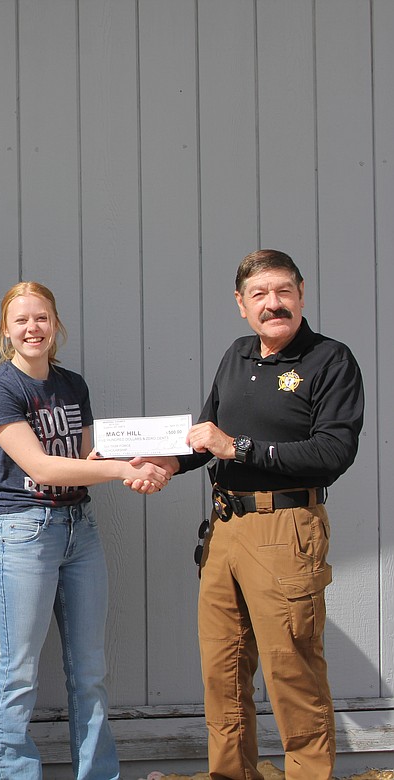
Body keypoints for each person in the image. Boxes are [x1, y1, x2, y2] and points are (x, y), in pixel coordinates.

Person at [146, 250, 363, 780]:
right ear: (241, 304)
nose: (274, 304)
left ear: (302, 294)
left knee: (293, 671)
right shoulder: (238, 355)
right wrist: (165, 463)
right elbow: (206, 437)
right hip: (225, 531)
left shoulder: (330, 360)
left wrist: (239, 447)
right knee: (223, 673)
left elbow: (332, 454)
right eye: (260, 295)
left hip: (286, 531)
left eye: (283, 291)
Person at [0, 281, 169, 780]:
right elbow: (42, 467)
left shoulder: (72, 384)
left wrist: (137, 460)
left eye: (41, 318)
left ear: (56, 324)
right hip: (25, 535)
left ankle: (98, 774)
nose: (32, 328)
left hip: (79, 531)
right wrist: (121, 471)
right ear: (6, 331)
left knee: (90, 672)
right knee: (18, 672)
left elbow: (84, 459)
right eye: (21, 321)